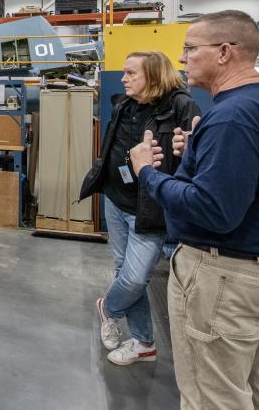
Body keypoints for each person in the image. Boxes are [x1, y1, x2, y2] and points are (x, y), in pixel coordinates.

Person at [129, 10, 259, 410]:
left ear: (225, 52)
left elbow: (214, 210)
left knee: (214, 396)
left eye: (191, 49)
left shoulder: (233, 117)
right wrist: (199, 151)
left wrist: (147, 173)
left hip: (225, 278)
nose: (182, 59)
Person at [80, 51, 200, 366]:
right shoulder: (125, 105)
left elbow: (195, 156)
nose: (123, 78)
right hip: (115, 199)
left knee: (134, 279)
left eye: (132, 73)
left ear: (154, 75)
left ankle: (108, 308)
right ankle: (144, 342)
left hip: (150, 207)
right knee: (124, 272)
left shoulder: (182, 107)